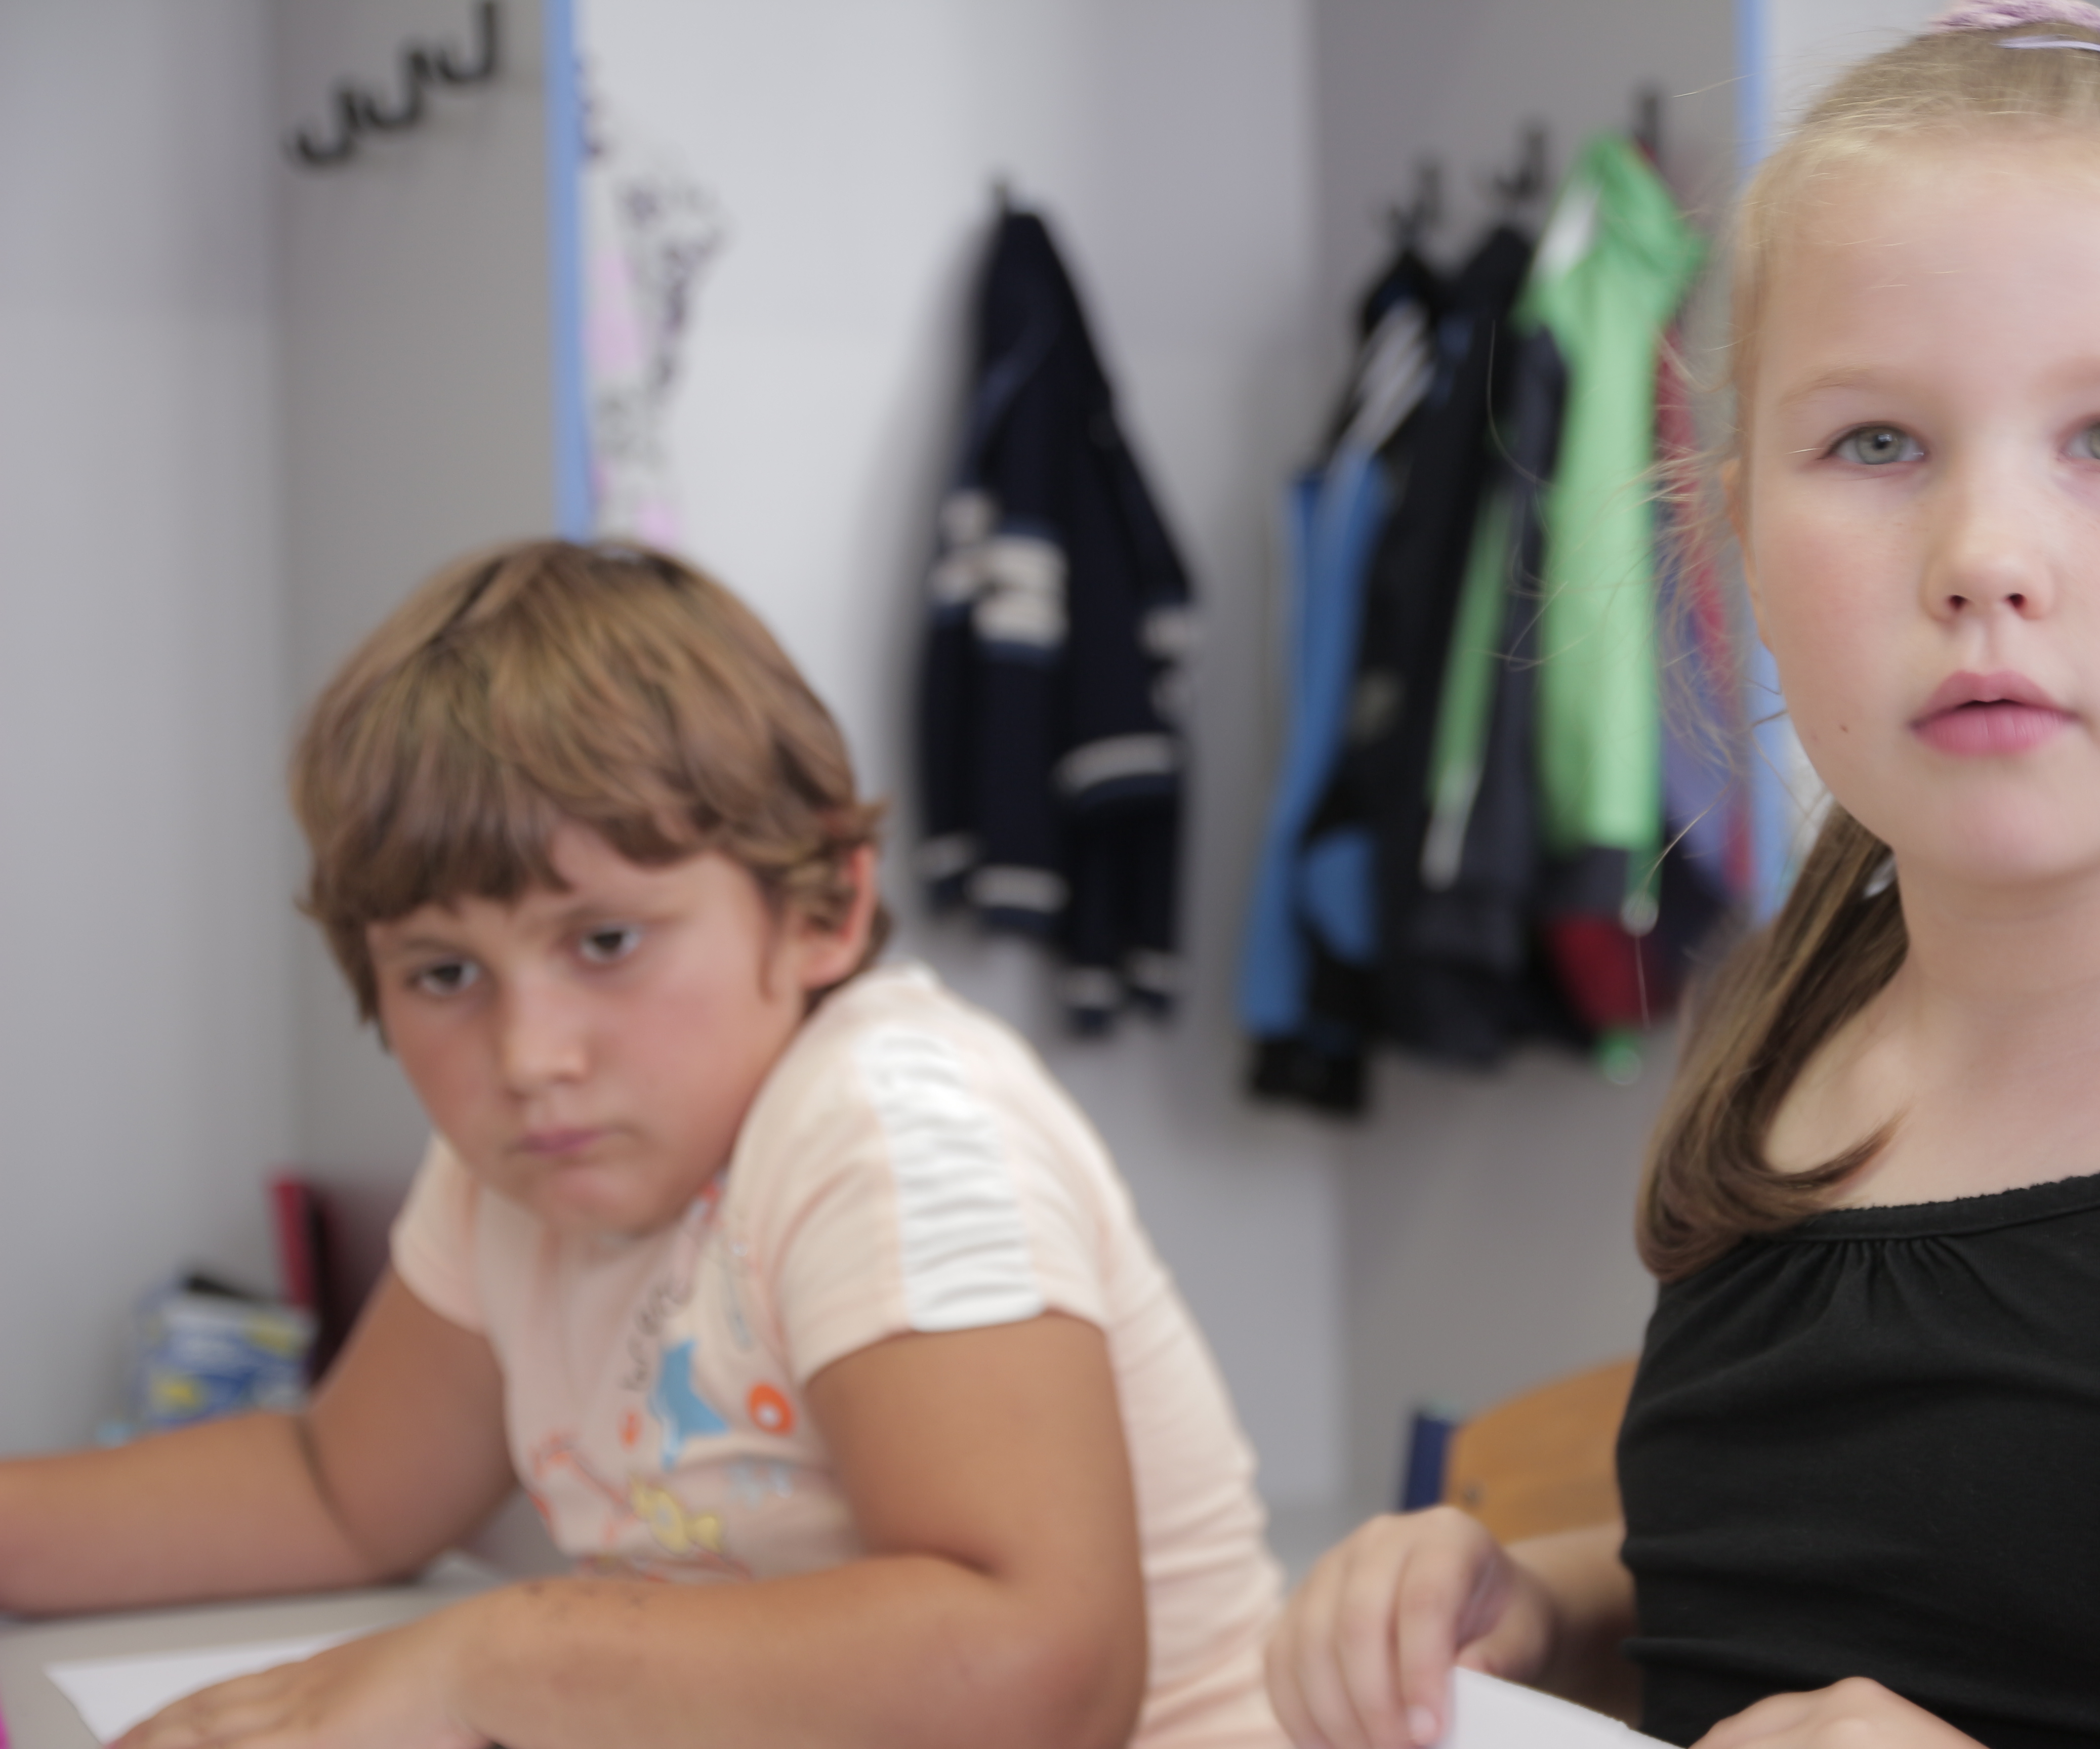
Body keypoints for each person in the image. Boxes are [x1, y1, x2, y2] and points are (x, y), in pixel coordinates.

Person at [1266, 4, 2100, 1746]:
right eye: (1877, 445)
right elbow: (1879, 1582)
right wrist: (1554, 1611)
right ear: (1743, 546)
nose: (1984, 555)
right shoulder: (1785, 1045)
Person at [0, 540, 1285, 1749]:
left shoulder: (893, 1129)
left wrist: (494, 1660)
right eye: (444, 973)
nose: (528, 1056)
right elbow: (335, 1487)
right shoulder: (526, 1164)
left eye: (606, 942)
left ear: (825, 910)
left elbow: (1039, 1668)